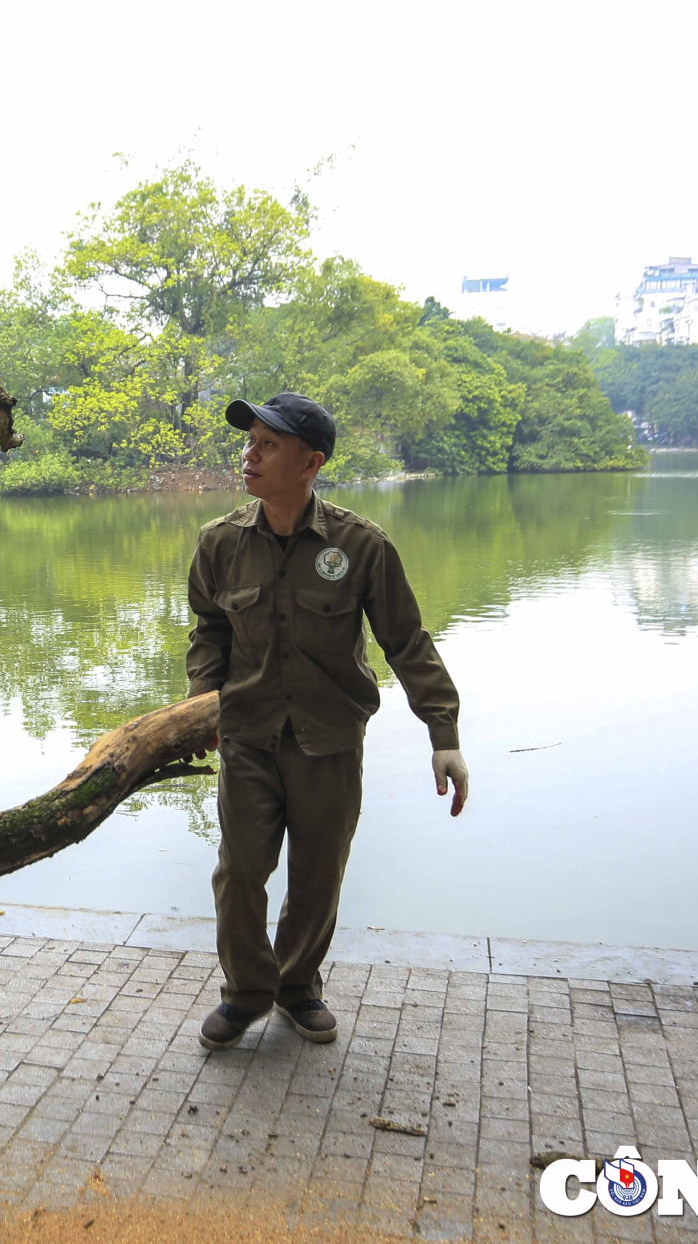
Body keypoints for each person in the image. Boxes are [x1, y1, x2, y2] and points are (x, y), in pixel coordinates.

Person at [187, 392, 468, 1050]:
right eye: (249, 441)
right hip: (248, 735)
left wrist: (444, 734)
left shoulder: (361, 546)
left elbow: (407, 642)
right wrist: (201, 707)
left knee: (317, 876)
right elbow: (208, 630)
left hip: (330, 739)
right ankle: (246, 992)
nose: (249, 454)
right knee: (239, 872)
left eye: (267, 445)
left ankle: (296, 985)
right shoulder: (220, 543)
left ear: (310, 462)